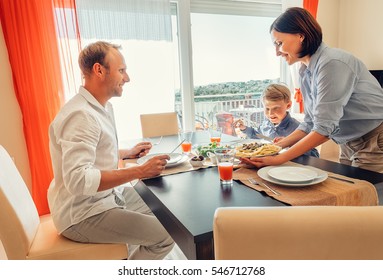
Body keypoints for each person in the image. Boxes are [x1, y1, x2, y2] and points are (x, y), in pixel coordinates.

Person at [47, 41, 175, 260]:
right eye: (122, 70)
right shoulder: (82, 116)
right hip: (83, 214)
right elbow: (78, 180)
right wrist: (140, 171)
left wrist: (125, 153)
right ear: (99, 70)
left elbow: (93, 155)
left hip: (102, 199)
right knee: (167, 234)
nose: (127, 78)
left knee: (162, 207)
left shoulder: (98, 107)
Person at [242, 7, 383, 172]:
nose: (277, 52)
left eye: (279, 43)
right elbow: (310, 122)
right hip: (348, 142)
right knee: (346, 192)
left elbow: (324, 128)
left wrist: (278, 158)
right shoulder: (305, 70)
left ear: (301, 36)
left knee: (366, 194)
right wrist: (277, 147)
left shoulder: (332, 63)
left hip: (374, 138)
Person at [234, 83, 319, 157]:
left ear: (288, 105)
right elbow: (256, 135)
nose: (270, 113)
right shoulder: (266, 124)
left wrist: (290, 143)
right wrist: (244, 128)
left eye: (276, 108)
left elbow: (314, 154)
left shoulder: (298, 129)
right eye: (267, 109)